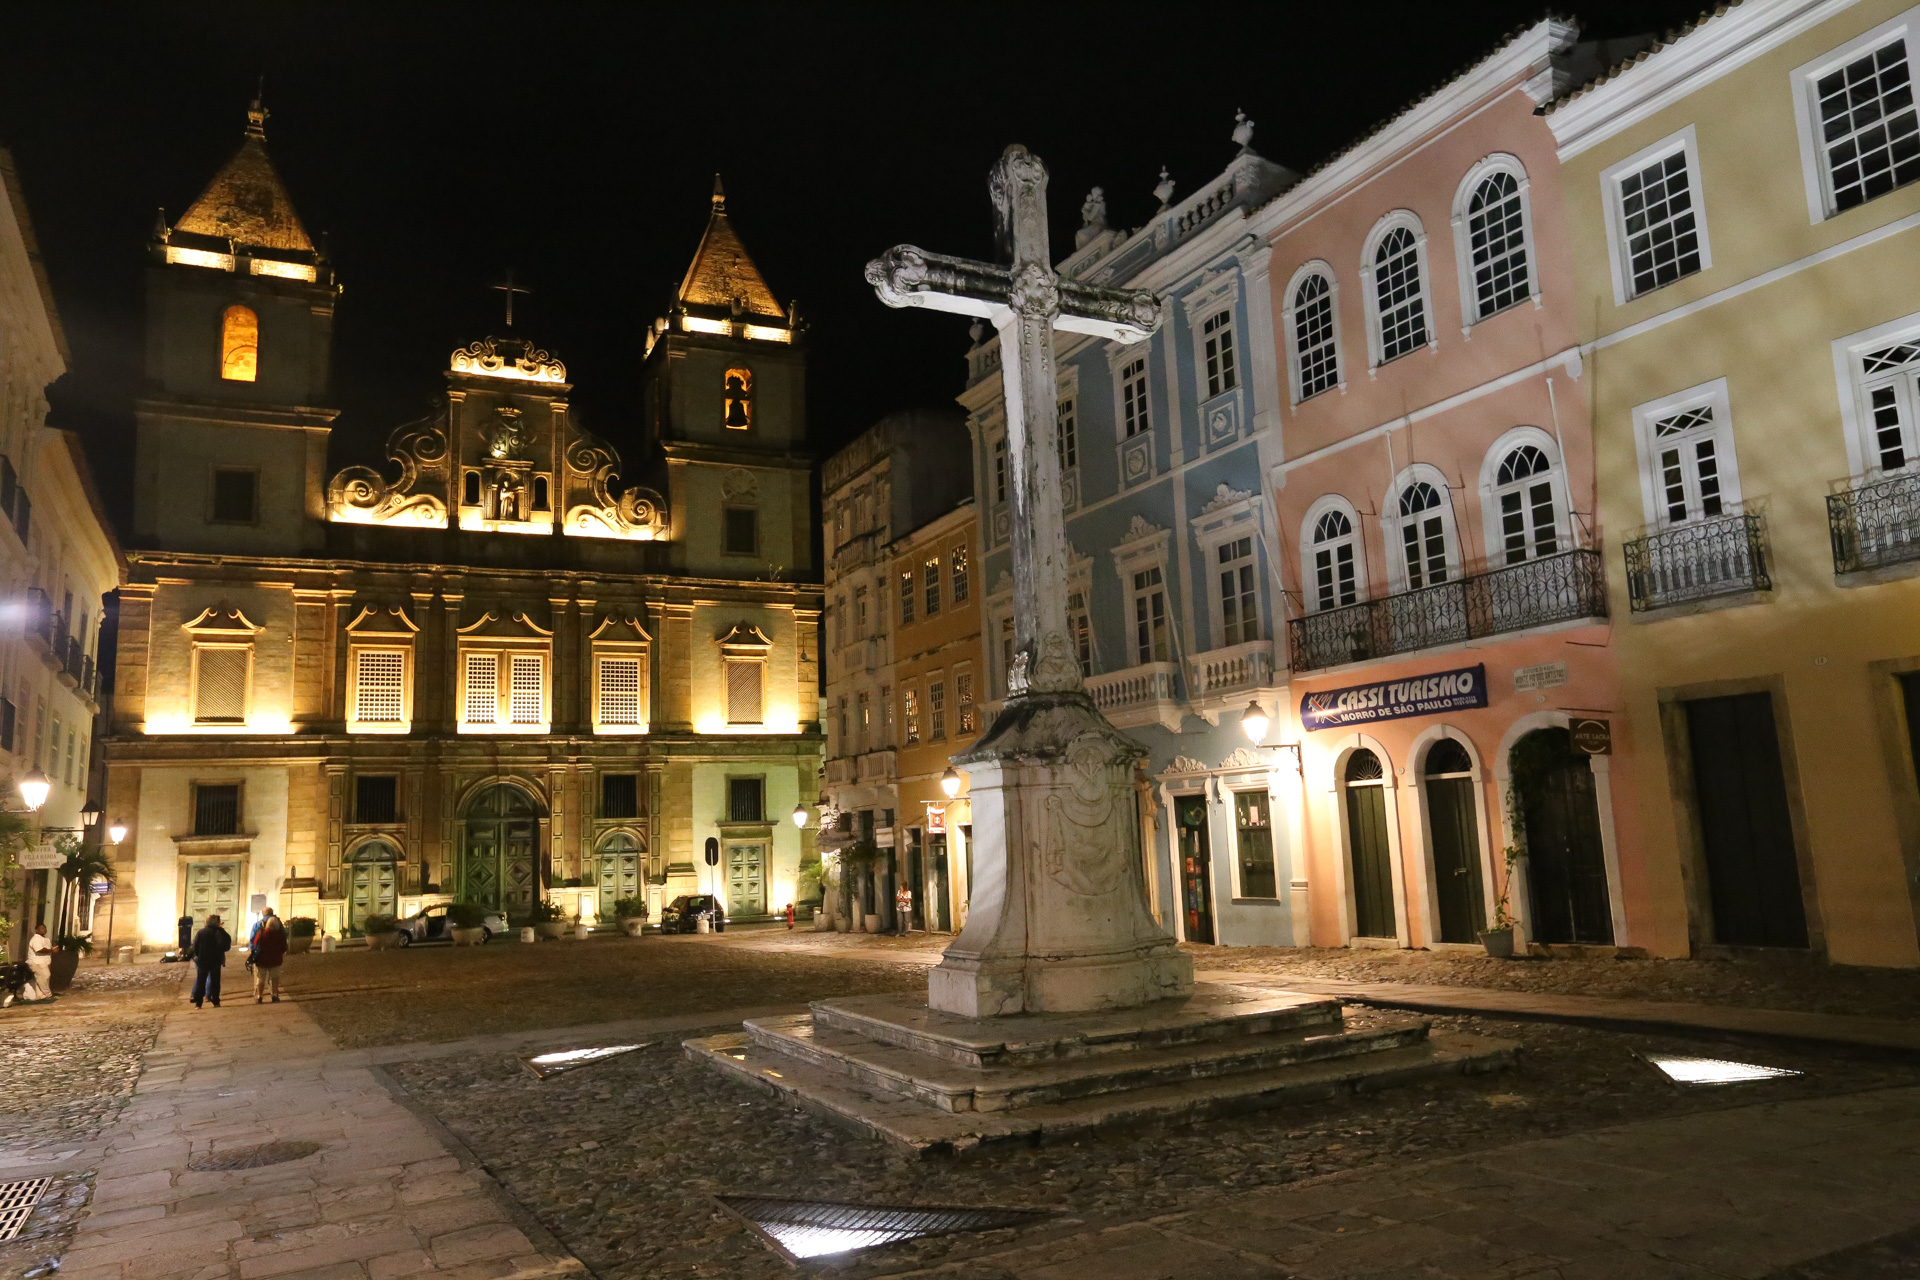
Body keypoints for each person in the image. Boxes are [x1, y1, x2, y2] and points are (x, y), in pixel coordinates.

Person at [190, 914, 231, 1008]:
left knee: (201, 981)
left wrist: (198, 956)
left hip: (203, 960)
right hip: (215, 960)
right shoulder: (220, 932)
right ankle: (216, 1001)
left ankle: (198, 1003)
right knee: (215, 981)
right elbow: (226, 945)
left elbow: (195, 947)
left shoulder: (201, 932)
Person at [249, 909, 287, 1003]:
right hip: (275, 960)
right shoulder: (280, 935)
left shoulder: (261, 933)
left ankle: (259, 996)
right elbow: (284, 947)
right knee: (274, 978)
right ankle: (274, 995)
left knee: (260, 979)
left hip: (262, 960)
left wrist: (254, 953)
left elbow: (254, 943)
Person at [22, 923, 53, 1001]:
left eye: (45, 928)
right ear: (37, 930)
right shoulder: (36, 939)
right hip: (37, 962)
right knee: (45, 976)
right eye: (41, 928)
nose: (44, 930)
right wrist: (52, 950)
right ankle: (48, 994)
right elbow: (39, 950)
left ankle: (41, 996)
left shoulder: (46, 939)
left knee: (41, 979)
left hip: (44, 962)